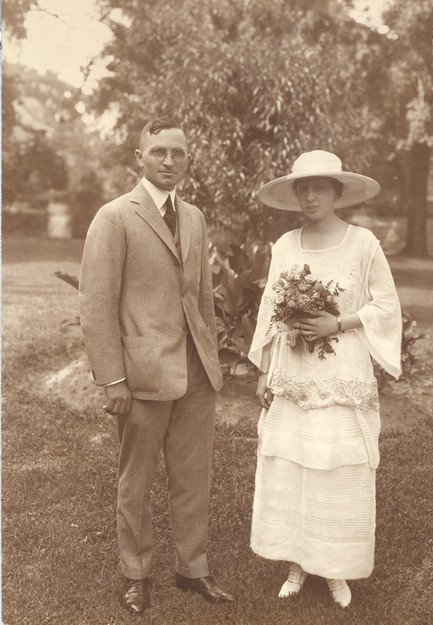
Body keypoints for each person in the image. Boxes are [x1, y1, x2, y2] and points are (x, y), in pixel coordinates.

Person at [79, 117, 234, 614]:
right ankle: (136, 574)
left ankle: (193, 570)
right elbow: (97, 304)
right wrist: (113, 379)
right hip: (142, 376)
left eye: (178, 154)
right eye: (159, 152)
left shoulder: (194, 217)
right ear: (139, 159)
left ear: (187, 160)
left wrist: (211, 360)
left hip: (194, 373)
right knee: (137, 480)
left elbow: (203, 299)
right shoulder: (115, 217)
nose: (169, 161)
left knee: (193, 477)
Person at [248, 150, 402, 608]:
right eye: (303, 187)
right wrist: (264, 370)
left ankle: (336, 567)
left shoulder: (363, 243)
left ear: (337, 192)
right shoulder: (285, 246)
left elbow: (387, 304)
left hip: (340, 370)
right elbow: (270, 313)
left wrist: (339, 323)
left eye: (320, 187)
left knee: (336, 465)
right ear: (295, 193)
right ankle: (297, 563)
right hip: (294, 371)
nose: (311, 195)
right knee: (295, 462)